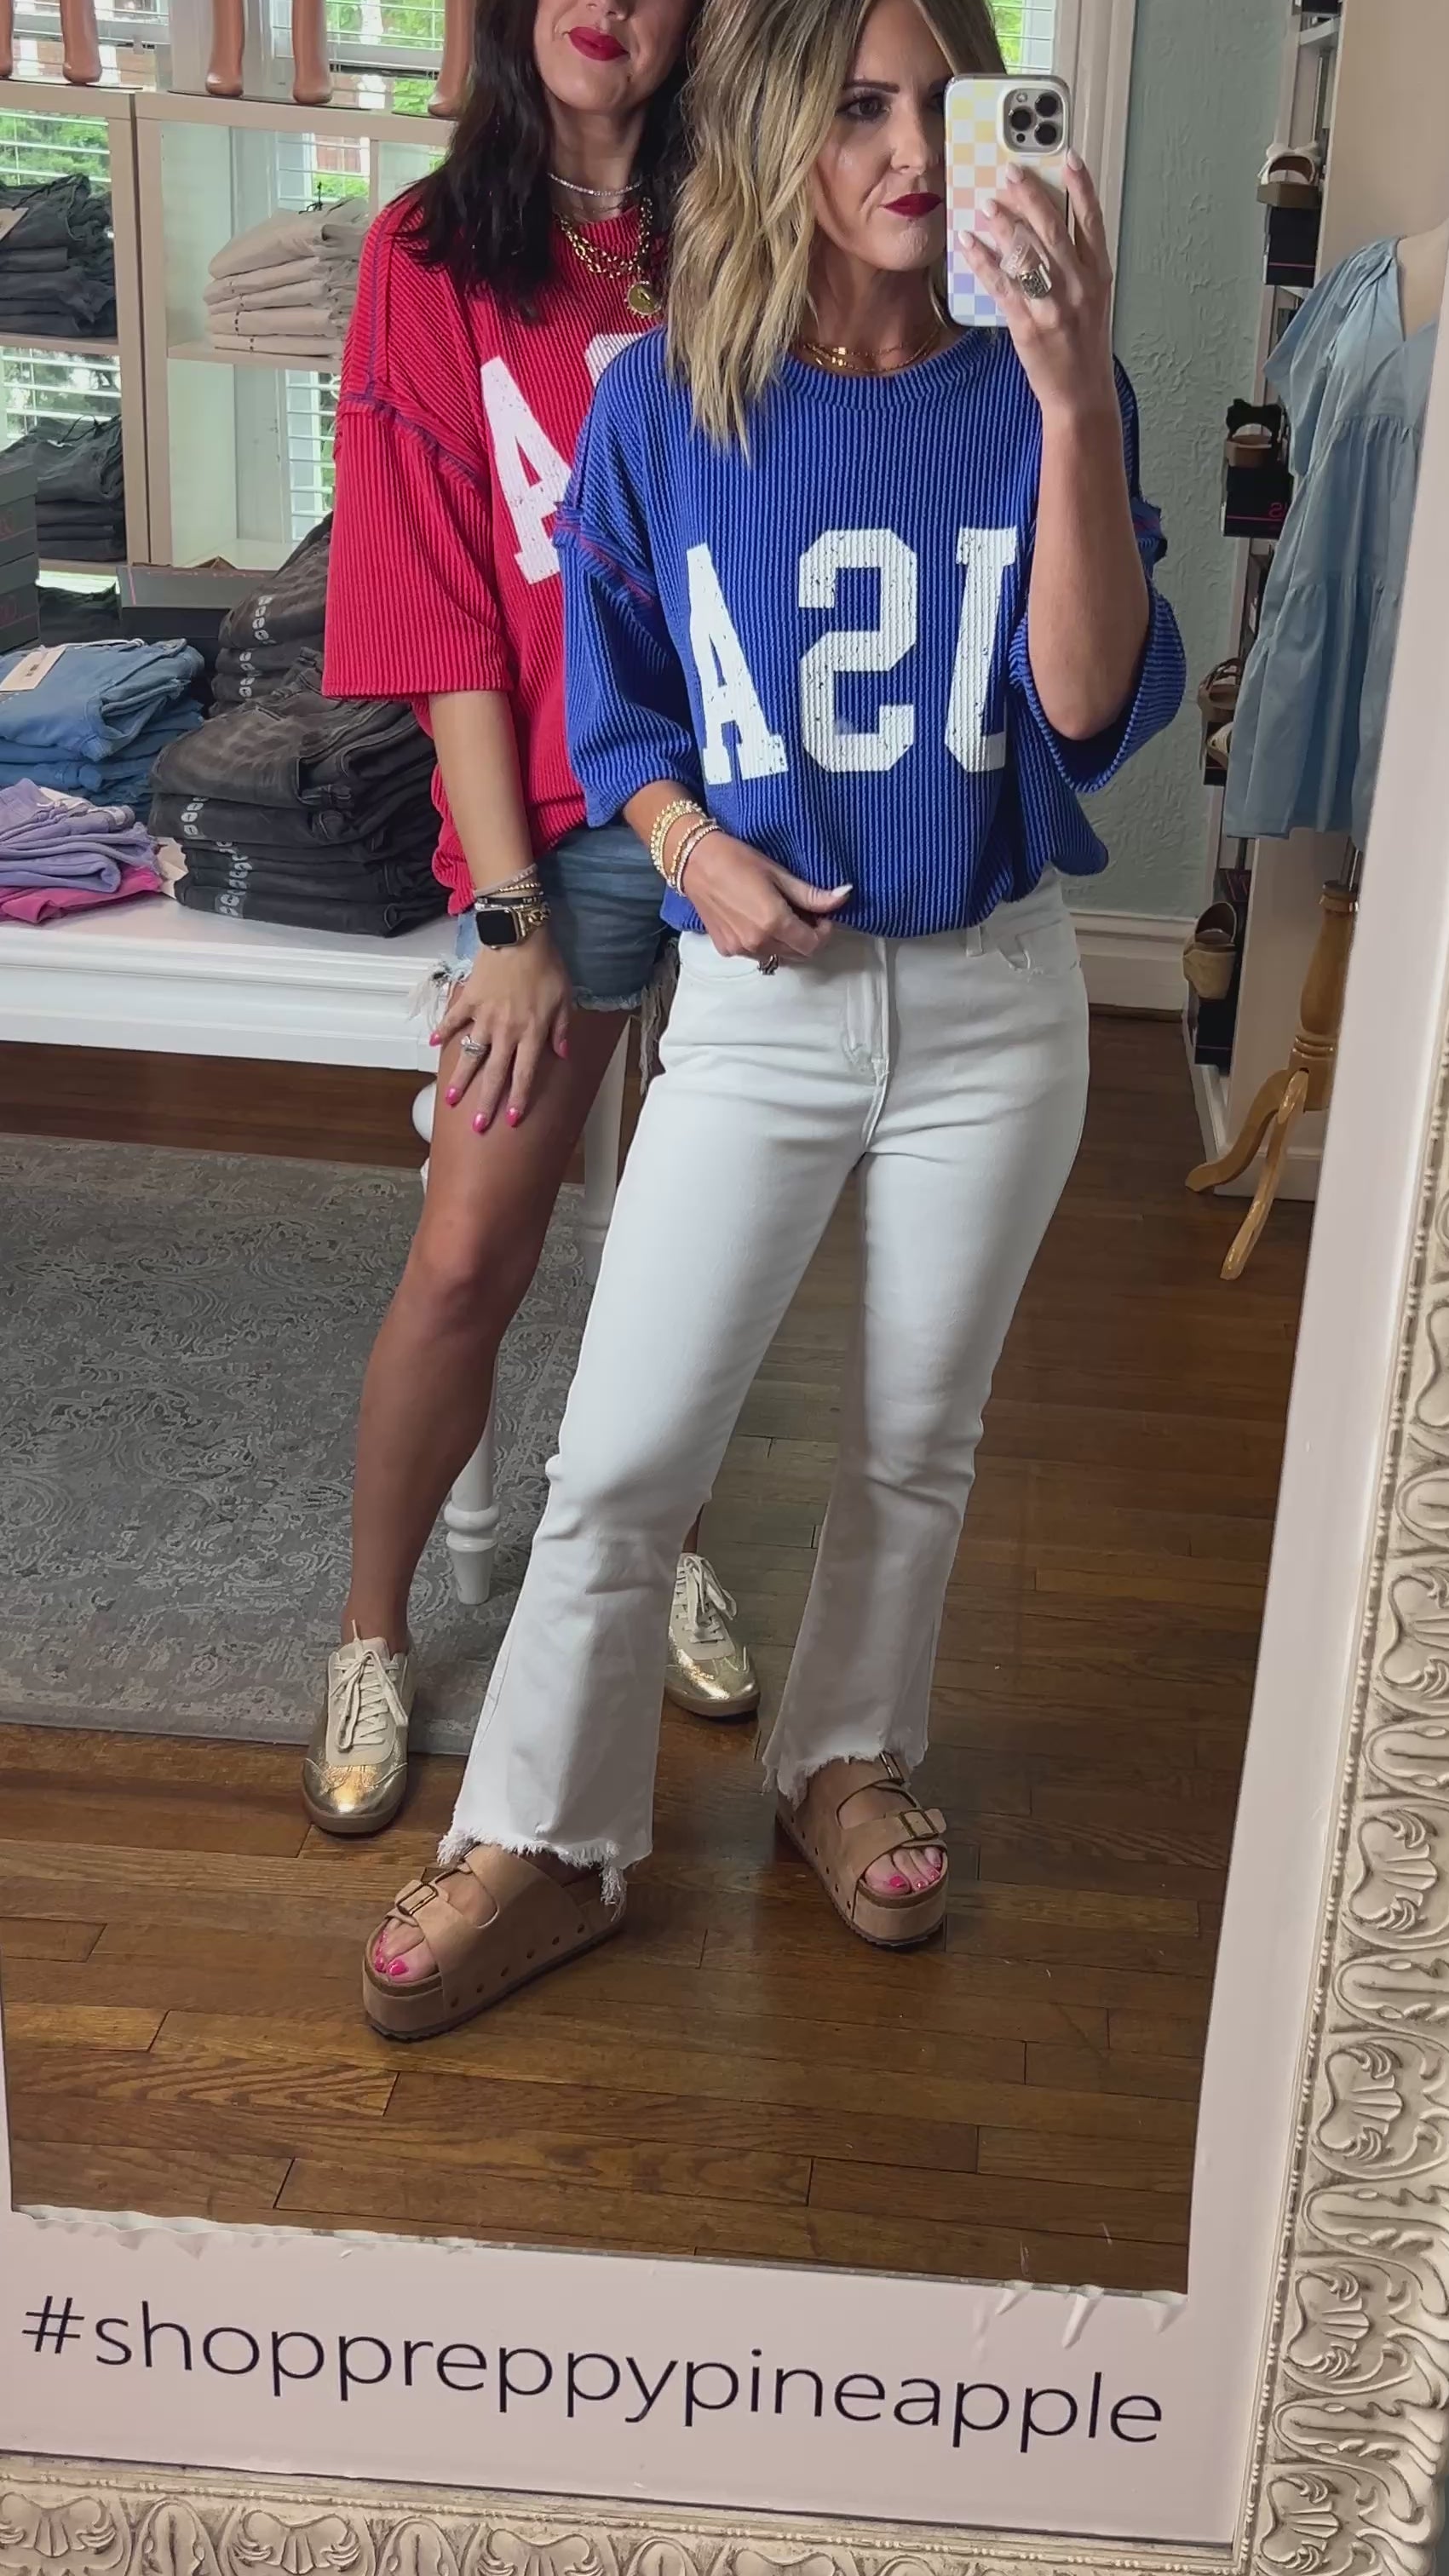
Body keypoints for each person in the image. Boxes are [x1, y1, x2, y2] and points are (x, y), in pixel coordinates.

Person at [359, 0, 1184, 2036]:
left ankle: (845, 1757)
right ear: (776, 135)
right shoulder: (666, 401)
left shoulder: (1046, 391)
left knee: (917, 1442)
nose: (909, 152)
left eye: (947, 106)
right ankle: (545, 1835)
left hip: (996, 998)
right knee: (627, 1451)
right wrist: (680, 840)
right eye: (858, 108)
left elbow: (1090, 703)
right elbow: (616, 696)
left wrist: (1073, 396)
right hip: (758, 1002)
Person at [308, 0, 757, 1841]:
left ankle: (666, 1544)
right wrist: (506, 915)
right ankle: (370, 1631)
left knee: (702, 1246)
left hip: (762, 812)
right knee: (470, 1250)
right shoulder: (433, 250)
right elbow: (434, 600)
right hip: (560, 828)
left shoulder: (751, 212)